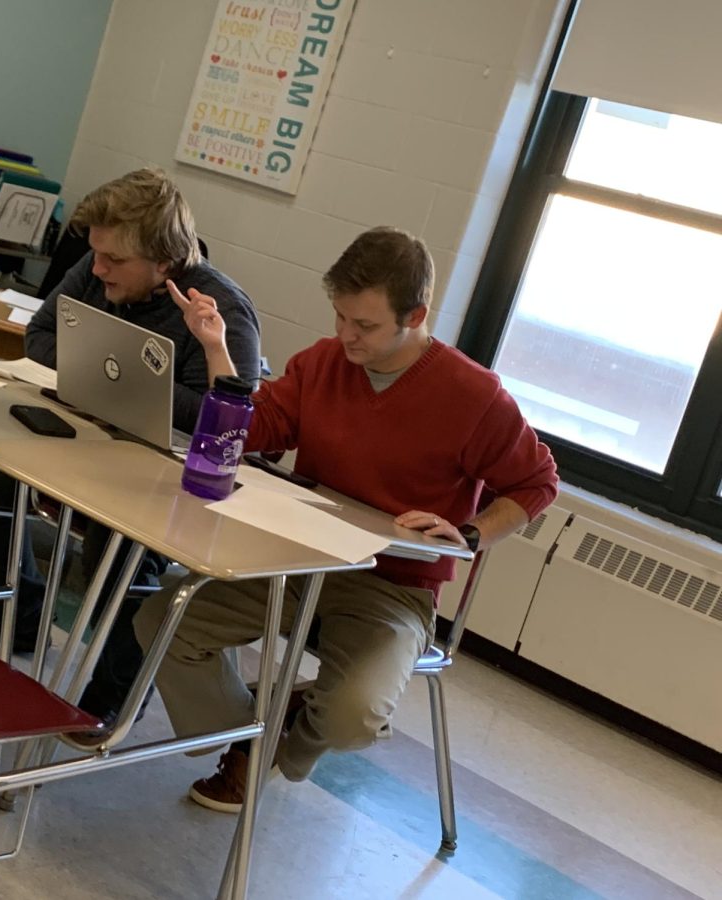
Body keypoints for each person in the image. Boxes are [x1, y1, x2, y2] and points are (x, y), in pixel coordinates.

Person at [135, 226, 558, 812]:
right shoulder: (323, 363)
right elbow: (249, 431)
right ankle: (246, 739)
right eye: (339, 316)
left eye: (365, 325)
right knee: (161, 621)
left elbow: (538, 483)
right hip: (296, 559)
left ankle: (271, 744)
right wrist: (214, 346)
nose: (345, 335)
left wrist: (469, 534)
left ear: (416, 315)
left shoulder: (475, 396)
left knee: (354, 717)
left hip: (391, 585)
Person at [0, 168, 262, 724]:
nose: (98, 268)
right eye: (96, 254)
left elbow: (228, 419)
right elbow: (39, 337)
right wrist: (109, 380)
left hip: (170, 474)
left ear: (164, 263)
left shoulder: (222, 312)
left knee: (114, 550)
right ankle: (21, 613)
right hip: (89, 437)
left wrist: (118, 383)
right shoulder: (96, 269)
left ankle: (116, 695)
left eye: (115, 260)